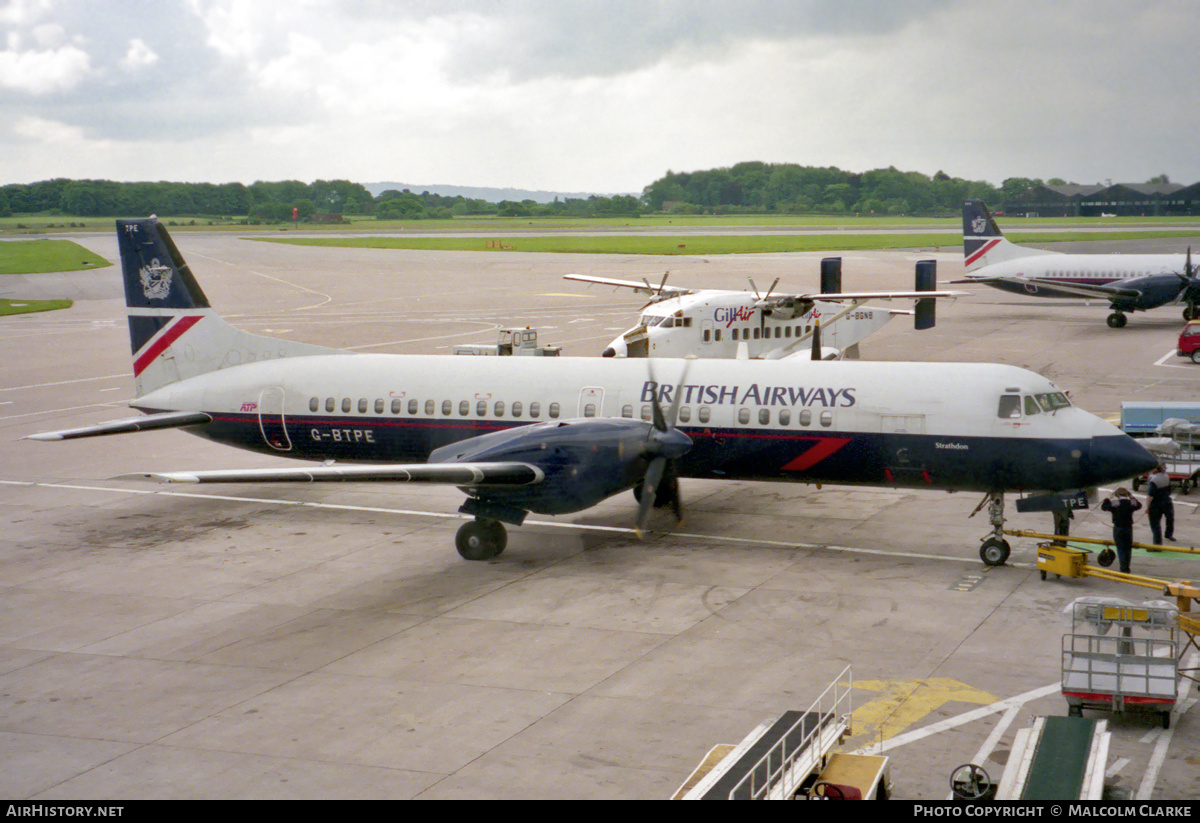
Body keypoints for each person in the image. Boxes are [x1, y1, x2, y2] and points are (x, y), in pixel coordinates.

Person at [1101, 487, 1142, 573]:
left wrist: (1108, 498)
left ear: (1117, 495)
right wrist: (1132, 497)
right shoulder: (1131, 503)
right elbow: (1139, 505)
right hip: (1128, 528)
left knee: (1120, 548)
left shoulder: (1115, 503)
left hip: (1118, 528)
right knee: (1127, 549)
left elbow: (1104, 507)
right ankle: (1126, 567)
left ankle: (1123, 568)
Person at [1146, 465, 1175, 547]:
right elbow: (1169, 490)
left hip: (1156, 503)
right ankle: (1169, 534)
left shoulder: (1153, 479)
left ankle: (1157, 544)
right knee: (1170, 518)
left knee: (1155, 524)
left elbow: (1150, 495)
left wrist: (1147, 507)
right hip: (1167, 501)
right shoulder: (1166, 476)